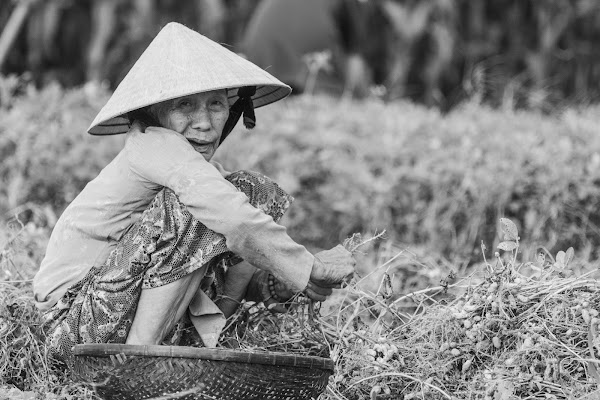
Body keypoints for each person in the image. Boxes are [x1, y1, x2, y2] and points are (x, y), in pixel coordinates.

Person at [32, 22, 356, 367]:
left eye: (215, 105)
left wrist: (285, 284)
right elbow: (234, 219)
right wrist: (306, 267)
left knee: (252, 190)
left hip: (117, 317)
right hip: (73, 326)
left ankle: (208, 351)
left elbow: (230, 244)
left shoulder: (203, 179)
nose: (204, 122)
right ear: (153, 113)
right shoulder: (152, 145)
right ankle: (137, 368)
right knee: (208, 207)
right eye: (185, 106)